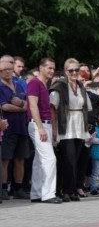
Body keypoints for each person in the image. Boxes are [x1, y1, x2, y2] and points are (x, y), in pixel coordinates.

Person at [49, 58, 93, 202]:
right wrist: (54, 129)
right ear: (65, 71)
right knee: (68, 159)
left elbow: (88, 107)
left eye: (76, 70)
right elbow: (52, 108)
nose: (74, 73)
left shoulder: (81, 86)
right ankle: (64, 190)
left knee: (77, 159)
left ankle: (72, 189)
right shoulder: (60, 86)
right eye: (71, 70)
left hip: (79, 125)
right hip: (65, 126)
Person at [27, 58, 61, 203]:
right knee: (49, 159)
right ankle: (48, 194)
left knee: (39, 161)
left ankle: (36, 193)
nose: (51, 71)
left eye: (53, 68)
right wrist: (40, 127)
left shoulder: (43, 84)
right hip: (38, 124)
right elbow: (32, 106)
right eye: (49, 68)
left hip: (42, 124)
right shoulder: (35, 83)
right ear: (41, 68)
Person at [0, 60, 30, 200]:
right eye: (3, 70)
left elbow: (28, 103)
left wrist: (23, 105)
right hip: (7, 128)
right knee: (5, 159)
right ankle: (4, 188)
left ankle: (18, 188)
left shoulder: (19, 85)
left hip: (21, 127)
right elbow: (4, 106)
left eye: (8, 69)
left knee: (20, 159)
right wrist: (22, 107)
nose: (6, 71)